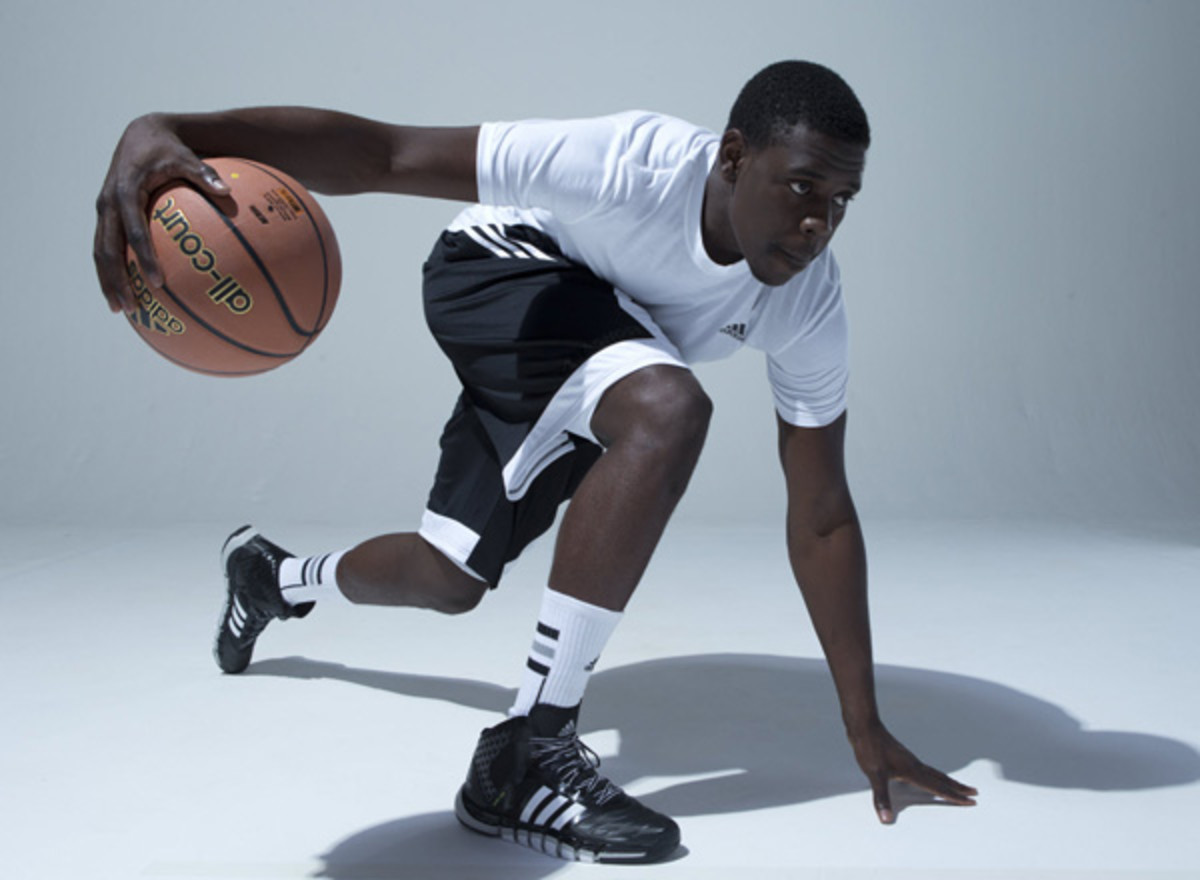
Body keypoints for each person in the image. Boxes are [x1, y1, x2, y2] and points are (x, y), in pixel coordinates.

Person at [93, 60, 978, 864]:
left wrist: (864, 724)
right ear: (734, 157)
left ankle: (272, 577)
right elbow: (388, 153)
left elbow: (822, 515)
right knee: (669, 409)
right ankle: (530, 750)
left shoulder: (809, 302)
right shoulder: (628, 165)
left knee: (447, 577)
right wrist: (175, 128)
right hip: (501, 272)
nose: (819, 223)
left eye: (843, 199)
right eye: (802, 186)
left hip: (603, 351)